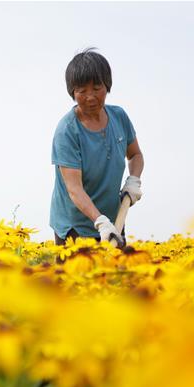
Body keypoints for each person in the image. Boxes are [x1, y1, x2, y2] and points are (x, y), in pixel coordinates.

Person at [50, 48, 144, 247]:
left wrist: (134, 180)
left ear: (107, 85)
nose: (90, 97)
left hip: (114, 222)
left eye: (96, 87)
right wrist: (100, 222)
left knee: (117, 268)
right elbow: (74, 189)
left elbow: (135, 154)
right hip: (75, 228)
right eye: (82, 91)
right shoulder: (67, 131)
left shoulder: (119, 117)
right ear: (72, 92)